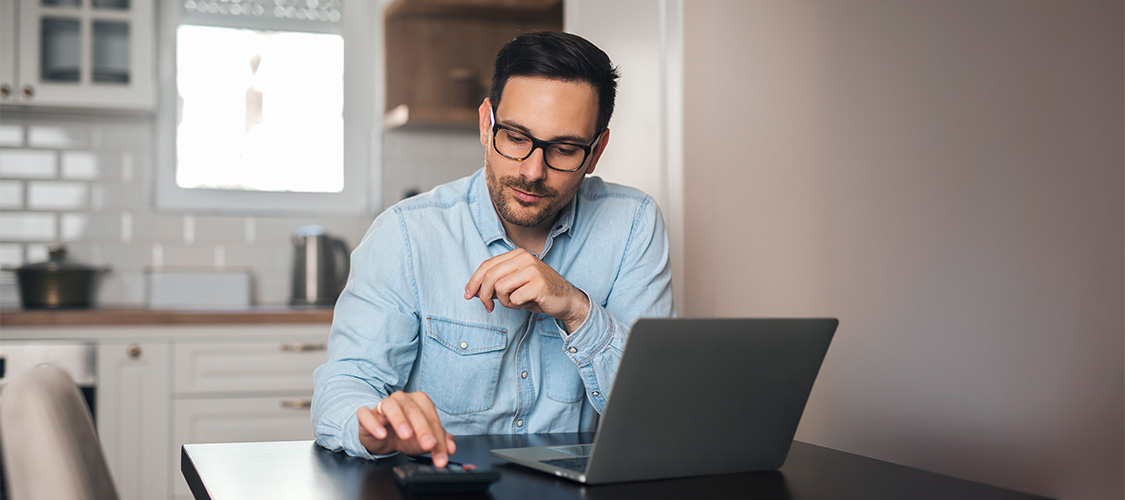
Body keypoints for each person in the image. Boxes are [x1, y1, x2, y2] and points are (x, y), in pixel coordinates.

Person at [312, 31, 674, 467]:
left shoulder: (633, 224)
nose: (532, 171)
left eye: (564, 148)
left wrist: (577, 309)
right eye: (516, 137)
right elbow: (344, 385)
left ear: (596, 152)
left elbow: (656, 413)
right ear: (487, 124)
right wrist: (376, 427)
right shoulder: (405, 234)